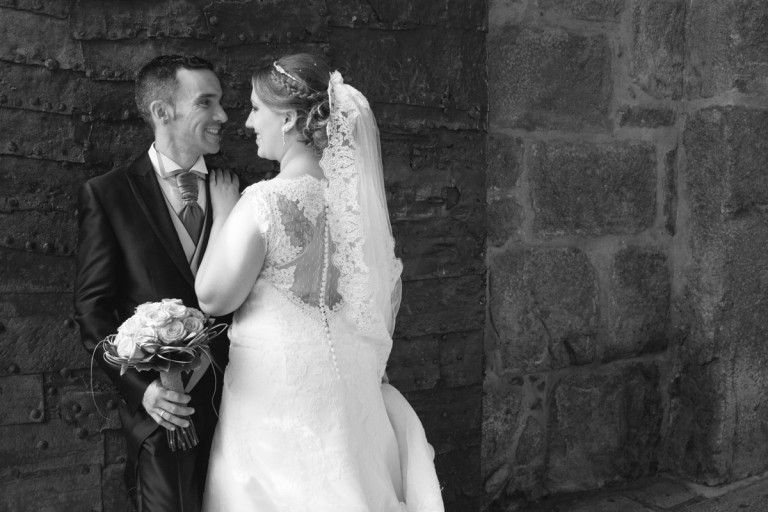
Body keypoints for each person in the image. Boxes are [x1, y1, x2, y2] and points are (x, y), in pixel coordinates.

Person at [195, 53, 444, 511]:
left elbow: (212, 297)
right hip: (347, 380)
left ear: (288, 119)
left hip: (279, 387)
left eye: (255, 109)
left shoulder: (264, 200)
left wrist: (225, 212)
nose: (248, 122)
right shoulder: (354, 206)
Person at [74, 54, 236, 512]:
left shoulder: (242, 186)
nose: (223, 116)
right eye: (207, 102)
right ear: (163, 112)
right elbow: (93, 311)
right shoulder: (107, 195)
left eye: (221, 102)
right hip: (168, 415)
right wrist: (145, 390)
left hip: (247, 404)